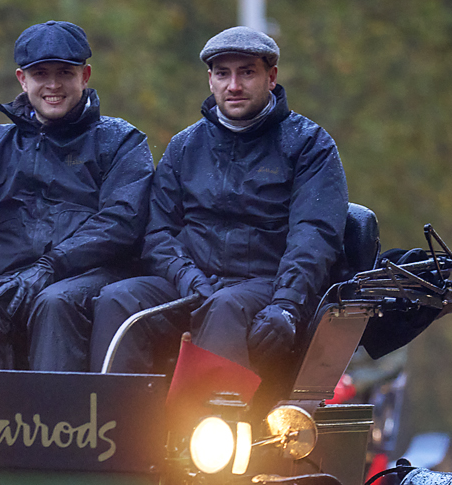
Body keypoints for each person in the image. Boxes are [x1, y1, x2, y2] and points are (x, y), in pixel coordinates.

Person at [89, 26, 348, 379]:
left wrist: (287, 303)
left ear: (271, 77)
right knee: (117, 299)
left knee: (226, 306)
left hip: (264, 283)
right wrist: (186, 276)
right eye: (223, 74)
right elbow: (158, 232)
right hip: (192, 281)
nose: (234, 86)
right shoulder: (185, 146)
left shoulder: (309, 145)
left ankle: (211, 425)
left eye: (247, 72)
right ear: (210, 80)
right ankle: (113, 425)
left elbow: (313, 235)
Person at [0, 21, 154, 371]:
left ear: (85, 75)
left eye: (65, 72)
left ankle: (58, 422)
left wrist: (52, 265)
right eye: (41, 73)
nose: (53, 85)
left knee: (54, 301)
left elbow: (122, 221)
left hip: (92, 276)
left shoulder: (120, 140)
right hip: (10, 278)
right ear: (22, 79)